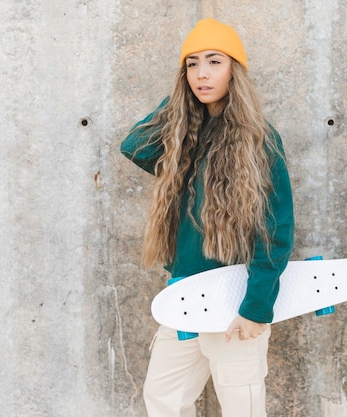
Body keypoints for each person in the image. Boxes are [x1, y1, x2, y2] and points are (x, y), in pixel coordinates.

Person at [120, 17, 294, 417]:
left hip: (235, 298)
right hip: (183, 294)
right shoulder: (184, 138)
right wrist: (179, 102)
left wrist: (256, 308)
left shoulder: (259, 139)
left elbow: (276, 228)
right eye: (192, 64)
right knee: (163, 400)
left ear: (235, 69)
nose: (202, 73)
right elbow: (135, 146)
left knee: (241, 407)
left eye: (215, 61)